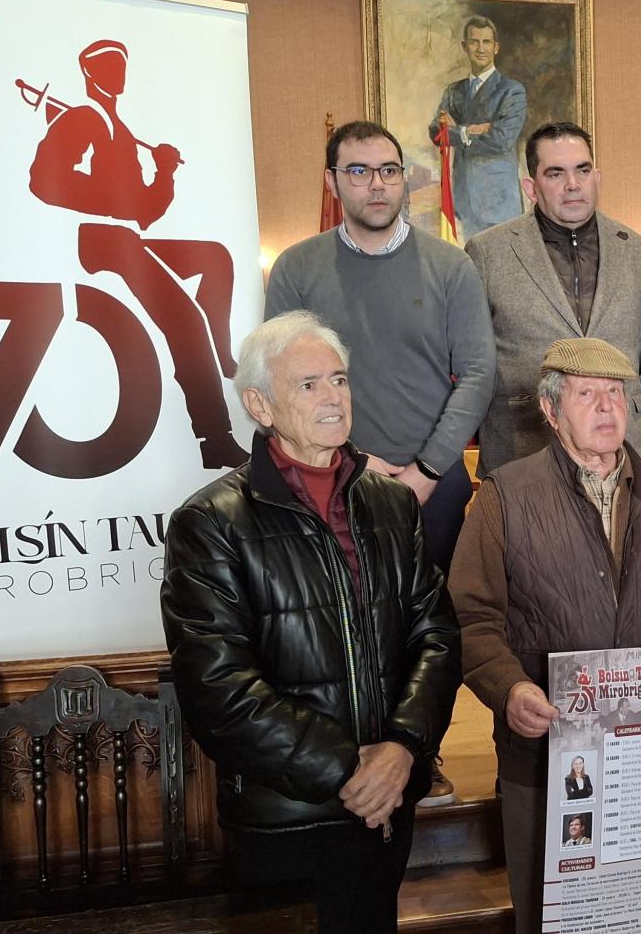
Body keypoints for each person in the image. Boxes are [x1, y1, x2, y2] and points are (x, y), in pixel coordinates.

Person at [160, 311, 460, 933]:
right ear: (259, 404)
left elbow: (435, 637)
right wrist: (353, 768)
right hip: (289, 815)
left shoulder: (392, 502)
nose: (332, 397)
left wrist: (403, 750)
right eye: (308, 384)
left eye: (340, 380)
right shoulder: (212, 522)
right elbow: (218, 691)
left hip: (388, 803)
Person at [451, 336, 641, 934]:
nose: (608, 408)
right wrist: (509, 690)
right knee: (553, 910)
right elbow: (473, 618)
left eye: (617, 394)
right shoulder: (505, 496)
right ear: (552, 410)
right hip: (548, 752)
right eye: (588, 395)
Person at [267, 120, 493, 808]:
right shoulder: (297, 268)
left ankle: (421, 759)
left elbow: (478, 372)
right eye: (358, 171)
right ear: (333, 182)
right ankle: (351, 762)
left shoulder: (450, 266)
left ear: (406, 179)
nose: (376, 183)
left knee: (429, 630)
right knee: (344, 626)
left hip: (435, 486)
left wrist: (426, 470)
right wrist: (354, 465)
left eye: (389, 170)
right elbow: (285, 377)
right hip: (329, 480)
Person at [29, 38, 245, 469]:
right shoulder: (83, 119)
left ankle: (219, 356)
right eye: (107, 64)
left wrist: (163, 171)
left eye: (121, 64)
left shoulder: (120, 130)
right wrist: (113, 198)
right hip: (100, 240)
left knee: (214, 258)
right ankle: (214, 437)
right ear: (89, 73)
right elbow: (42, 180)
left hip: (128, 236)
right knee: (184, 317)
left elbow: (146, 211)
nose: (118, 71)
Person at [466, 123, 641, 476]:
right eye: (555, 173)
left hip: (625, 450)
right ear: (531, 187)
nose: (573, 184)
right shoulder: (488, 252)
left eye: (582, 170)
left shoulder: (635, 249)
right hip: (524, 445)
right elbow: (473, 363)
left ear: (596, 177)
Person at [431, 16, 527, 238]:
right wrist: (470, 131)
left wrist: (457, 132)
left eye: (486, 42)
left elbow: (501, 140)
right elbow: (436, 132)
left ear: (496, 47)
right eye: (474, 42)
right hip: (463, 199)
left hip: (499, 203)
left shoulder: (512, 91)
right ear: (465, 47)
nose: (480, 48)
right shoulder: (454, 91)